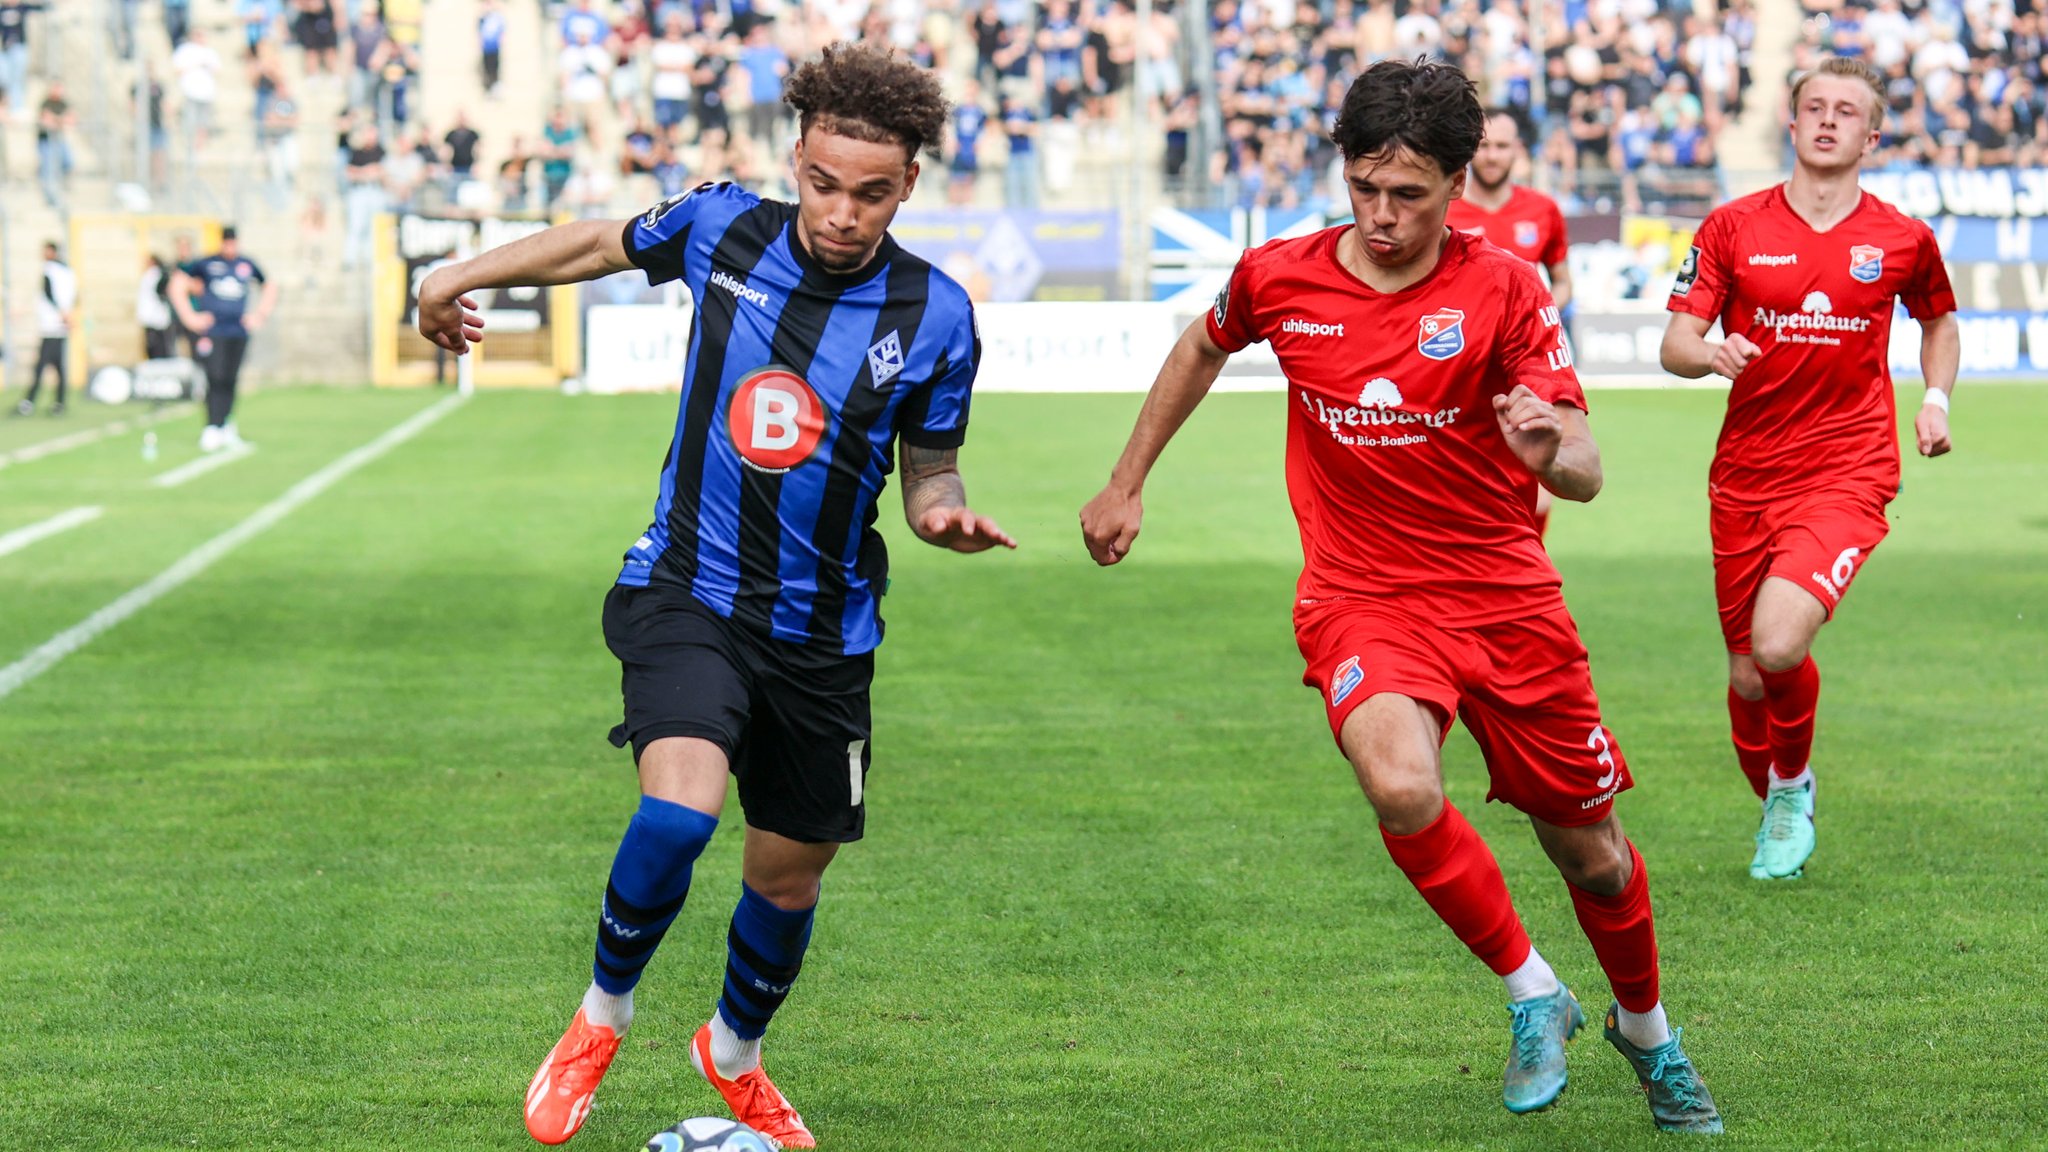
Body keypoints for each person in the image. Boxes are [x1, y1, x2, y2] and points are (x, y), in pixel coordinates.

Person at [1080, 59, 1722, 1135]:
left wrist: (1545, 450)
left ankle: (1645, 1031)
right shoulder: (1277, 277)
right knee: (1397, 783)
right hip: (1361, 593)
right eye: (1364, 188)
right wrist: (1124, 479)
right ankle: (1532, 993)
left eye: (1410, 194)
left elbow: (1584, 464)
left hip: (1504, 597)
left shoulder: (1505, 288)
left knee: (1590, 854)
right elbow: (1201, 344)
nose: (1382, 217)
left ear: (1456, 186)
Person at [414, 44, 1010, 1149]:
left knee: (785, 880)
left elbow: (930, 469)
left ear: (909, 185)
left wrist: (941, 516)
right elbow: (596, 241)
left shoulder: (936, 313)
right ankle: (602, 1015)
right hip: (688, 588)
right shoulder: (721, 228)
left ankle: (731, 1054)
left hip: (825, 632)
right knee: (677, 812)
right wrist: (455, 277)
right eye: (823, 184)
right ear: (797, 160)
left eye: (870, 193)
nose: (840, 213)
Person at [1658, 55, 1958, 881]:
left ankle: (1791, 785)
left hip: (1849, 470)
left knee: (1780, 642)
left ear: (1872, 132)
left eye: (1846, 110)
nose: (1828, 120)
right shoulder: (1732, 227)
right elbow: (1675, 341)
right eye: (1814, 107)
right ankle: (1782, 800)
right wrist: (1709, 352)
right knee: (1749, 676)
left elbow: (1939, 320)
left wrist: (1936, 399)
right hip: (1746, 474)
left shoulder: (1902, 237)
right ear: (1791, 124)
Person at [1448, 107, 1573, 538]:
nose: (1491, 156)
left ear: (1517, 151)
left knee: (1537, 477)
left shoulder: (1543, 210)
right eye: (1483, 146)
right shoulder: (1444, 210)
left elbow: (1562, 281)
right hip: (1458, 366)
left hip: (1524, 365)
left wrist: (1535, 320)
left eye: (1501, 146)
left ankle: (1526, 565)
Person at [170, 226, 279, 452]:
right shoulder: (207, 263)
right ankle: (212, 425)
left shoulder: (246, 264)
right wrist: (189, 317)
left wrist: (260, 315)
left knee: (230, 379)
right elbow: (177, 284)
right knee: (215, 377)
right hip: (214, 331)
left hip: (238, 331)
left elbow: (269, 285)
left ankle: (226, 424)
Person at [15, 242, 74, 417]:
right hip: (60, 324)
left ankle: (30, 402)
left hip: (51, 325)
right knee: (57, 366)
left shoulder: (50, 270)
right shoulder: (68, 271)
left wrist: (62, 313)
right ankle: (59, 402)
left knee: (42, 365)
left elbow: (49, 293)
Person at [139, 252, 176, 360]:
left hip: (156, 318)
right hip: (155, 318)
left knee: (158, 349)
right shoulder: (155, 275)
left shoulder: (154, 275)